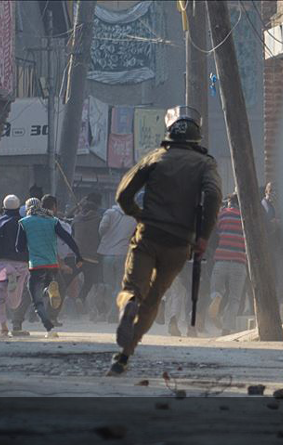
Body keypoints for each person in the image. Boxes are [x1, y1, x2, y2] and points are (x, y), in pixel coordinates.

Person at [107, 105, 221, 376]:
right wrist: (203, 237)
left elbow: (123, 193)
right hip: (179, 243)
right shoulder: (206, 164)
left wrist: (138, 215)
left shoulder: (155, 157)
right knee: (155, 297)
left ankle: (129, 303)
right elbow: (214, 196)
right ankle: (125, 355)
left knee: (133, 288)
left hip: (148, 235)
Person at [16, 195, 83, 338]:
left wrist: (30, 247)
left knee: (34, 296)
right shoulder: (52, 221)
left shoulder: (24, 222)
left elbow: (19, 247)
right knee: (61, 288)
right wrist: (78, 254)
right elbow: (67, 238)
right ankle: (50, 300)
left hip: (36, 265)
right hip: (52, 264)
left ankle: (21, 324)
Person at [0, 195, 30, 336]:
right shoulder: (24, 223)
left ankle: (3, 327)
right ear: (19, 208)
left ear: (3, 207)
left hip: (1, 264)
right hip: (21, 264)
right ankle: (13, 281)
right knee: (15, 302)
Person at [207, 194, 248, 336]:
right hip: (239, 261)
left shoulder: (222, 215)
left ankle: (217, 296)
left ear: (228, 203)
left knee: (215, 288)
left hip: (221, 260)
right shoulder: (245, 217)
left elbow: (212, 236)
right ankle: (226, 329)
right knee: (235, 299)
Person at [97, 199, 137, 322]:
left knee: (108, 285)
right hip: (123, 255)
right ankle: (113, 313)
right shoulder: (134, 218)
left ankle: (106, 310)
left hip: (107, 255)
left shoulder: (109, 213)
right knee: (118, 286)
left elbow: (101, 229)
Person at [71, 193, 103, 314]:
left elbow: (72, 232)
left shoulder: (76, 220)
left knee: (67, 280)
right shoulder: (99, 220)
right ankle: (81, 298)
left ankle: (59, 305)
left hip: (77, 257)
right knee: (89, 282)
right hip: (93, 257)